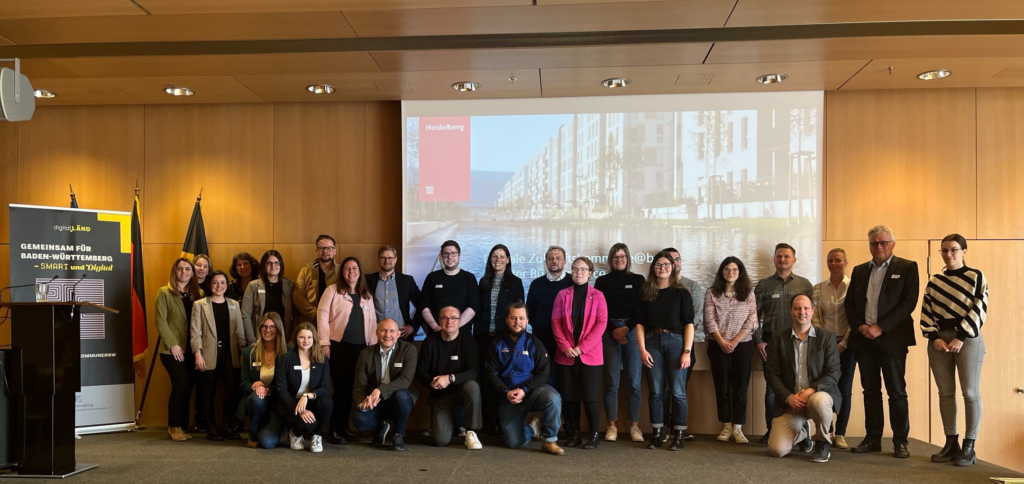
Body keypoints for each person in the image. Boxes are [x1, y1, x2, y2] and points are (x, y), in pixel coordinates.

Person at [845, 225, 919, 459]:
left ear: (893, 244)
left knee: (896, 391)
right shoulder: (858, 271)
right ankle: (873, 439)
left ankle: (900, 442)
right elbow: (850, 304)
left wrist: (881, 327)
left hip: (892, 340)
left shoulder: (907, 267)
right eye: (874, 243)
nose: (879, 247)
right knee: (870, 392)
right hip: (864, 339)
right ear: (869, 246)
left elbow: (908, 303)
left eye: (883, 242)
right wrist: (860, 326)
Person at [922, 234, 988, 467]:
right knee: (945, 393)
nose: (949, 254)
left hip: (967, 339)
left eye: (954, 249)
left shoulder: (975, 276)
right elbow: (926, 311)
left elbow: (980, 306)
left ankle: (969, 446)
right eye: (944, 250)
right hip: (939, 341)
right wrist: (934, 337)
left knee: (970, 392)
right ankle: (952, 443)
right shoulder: (935, 281)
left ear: (964, 251)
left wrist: (961, 336)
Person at [765, 295, 842, 463]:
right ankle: (802, 432)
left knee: (819, 401)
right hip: (791, 401)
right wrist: (788, 397)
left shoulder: (827, 337)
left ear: (812, 311)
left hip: (818, 395)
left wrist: (811, 390)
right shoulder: (778, 338)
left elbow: (834, 372)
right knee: (777, 451)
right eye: (797, 308)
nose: (802, 312)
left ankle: (822, 442)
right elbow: (771, 373)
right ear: (791, 311)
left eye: (806, 308)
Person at [485, 303, 564, 455]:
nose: (517, 322)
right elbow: (491, 374)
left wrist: (525, 389)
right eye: (513, 318)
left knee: (553, 397)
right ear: (507, 319)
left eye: (521, 318)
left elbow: (543, 373)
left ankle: (549, 441)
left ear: (527, 320)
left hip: (531, 392)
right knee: (513, 442)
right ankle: (532, 428)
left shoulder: (534, 343)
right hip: (508, 397)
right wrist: (506, 392)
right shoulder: (496, 344)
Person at [634, 251, 695, 451]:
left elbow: (689, 325)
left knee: (678, 392)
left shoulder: (682, 293)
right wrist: (642, 350)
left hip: (676, 343)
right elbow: (640, 324)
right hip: (652, 344)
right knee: (655, 391)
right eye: (658, 265)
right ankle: (658, 433)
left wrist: (687, 351)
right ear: (653, 268)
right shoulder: (646, 292)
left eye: (666, 264)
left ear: (673, 267)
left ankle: (679, 434)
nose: (662, 268)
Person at [753, 243, 813, 443]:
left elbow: (813, 315)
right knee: (772, 388)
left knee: (799, 387)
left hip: (799, 341)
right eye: (779, 256)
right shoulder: (764, 285)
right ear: (774, 259)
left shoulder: (805, 285)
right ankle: (772, 431)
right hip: (770, 342)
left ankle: (801, 433)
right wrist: (758, 341)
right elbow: (753, 317)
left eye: (787, 256)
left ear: (794, 260)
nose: (782, 260)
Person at [317, 256, 378, 444]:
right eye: (347, 268)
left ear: (360, 271)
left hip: (362, 349)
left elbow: (374, 321)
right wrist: (324, 343)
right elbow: (322, 317)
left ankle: (344, 428)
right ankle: (334, 429)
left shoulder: (366, 294)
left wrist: (375, 348)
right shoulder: (332, 290)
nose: (351, 271)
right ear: (342, 272)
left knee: (355, 388)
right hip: (339, 347)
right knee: (341, 389)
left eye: (354, 268)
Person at [552, 257, 607, 449]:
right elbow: (556, 322)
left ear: (590, 273)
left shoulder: (598, 296)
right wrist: (566, 346)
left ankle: (594, 435)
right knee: (569, 397)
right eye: (575, 269)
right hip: (565, 353)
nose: (579, 273)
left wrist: (581, 348)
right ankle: (573, 434)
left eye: (583, 269)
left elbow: (601, 324)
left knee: (590, 396)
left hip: (590, 354)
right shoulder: (562, 295)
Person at [594, 243, 645, 443]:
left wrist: (627, 329)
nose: (619, 260)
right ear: (610, 259)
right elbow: (599, 310)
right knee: (611, 382)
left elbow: (642, 309)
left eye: (623, 256)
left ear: (628, 258)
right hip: (609, 331)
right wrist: (613, 331)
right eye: (615, 257)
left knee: (634, 381)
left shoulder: (638, 280)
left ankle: (634, 426)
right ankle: (611, 426)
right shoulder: (602, 281)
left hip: (632, 332)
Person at [704, 257, 757, 444]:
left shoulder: (748, 293)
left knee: (741, 388)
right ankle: (726, 426)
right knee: (722, 387)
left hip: (742, 345)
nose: (731, 272)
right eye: (727, 269)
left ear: (740, 272)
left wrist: (734, 341)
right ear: (722, 272)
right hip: (718, 346)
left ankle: (738, 428)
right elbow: (709, 321)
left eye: (735, 269)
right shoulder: (711, 293)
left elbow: (752, 321)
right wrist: (722, 341)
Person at [415, 306, 483, 450]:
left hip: (462, 392)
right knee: (440, 440)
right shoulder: (430, 341)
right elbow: (420, 371)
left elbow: (474, 372)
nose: (449, 321)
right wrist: (431, 382)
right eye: (445, 318)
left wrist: (450, 378)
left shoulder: (468, 341)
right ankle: (450, 425)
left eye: (453, 318)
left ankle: (471, 431)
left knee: (472, 386)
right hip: (441, 395)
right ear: (439, 321)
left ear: (459, 321)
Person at [190, 271, 245, 441]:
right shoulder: (199, 305)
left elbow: (239, 332)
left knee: (231, 390)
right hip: (207, 353)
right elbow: (195, 332)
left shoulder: (234, 304)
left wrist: (244, 352)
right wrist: (197, 354)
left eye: (223, 282)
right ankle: (211, 426)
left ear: (227, 286)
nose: (219, 286)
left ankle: (227, 425)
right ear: (209, 284)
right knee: (208, 391)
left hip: (230, 353)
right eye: (215, 282)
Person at [476, 243, 525, 434]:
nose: (498, 260)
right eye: (494, 256)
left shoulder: (515, 282)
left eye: (502, 256)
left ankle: (505, 425)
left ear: (508, 259)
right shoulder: (483, 282)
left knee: (504, 380)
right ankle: (489, 425)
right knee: (487, 381)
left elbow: (519, 312)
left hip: (505, 340)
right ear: (490, 260)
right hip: (483, 339)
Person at [156, 258, 204, 442]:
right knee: (181, 385)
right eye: (179, 269)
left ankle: (182, 425)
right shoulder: (164, 293)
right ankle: (174, 426)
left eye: (187, 269)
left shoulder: (198, 293)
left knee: (188, 386)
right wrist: (173, 344)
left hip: (192, 349)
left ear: (193, 273)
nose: (183, 272)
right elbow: (161, 321)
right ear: (174, 272)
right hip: (171, 350)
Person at [353, 319, 419, 452]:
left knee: (401, 395)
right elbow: (359, 385)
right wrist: (362, 404)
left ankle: (398, 434)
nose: (387, 334)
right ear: (377, 333)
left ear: (398, 334)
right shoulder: (366, 354)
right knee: (359, 420)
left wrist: (380, 390)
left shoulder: (408, 350)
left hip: (400, 399)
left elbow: (405, 380)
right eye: (383, 330)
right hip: (376, 401)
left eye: (392, 331)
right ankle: (381, 427)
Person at [811, 248, 854, 449]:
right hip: (824, 344)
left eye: (838, 260)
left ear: (846, 262)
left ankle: (841, 433)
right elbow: (816, 317)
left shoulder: (854, 286)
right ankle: (825, 430)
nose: (834, 264)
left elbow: (856, 317)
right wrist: (828, 343)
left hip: (849, 344)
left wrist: (843, 343)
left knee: (845, 389)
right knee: (825, 386)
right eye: (830, 261)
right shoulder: (818, 288)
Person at [275, 323, 333, 453]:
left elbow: (325, 387)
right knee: (308, 424)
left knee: (327, 402)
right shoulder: (286, 359)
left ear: (314, 339)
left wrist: (307, 396)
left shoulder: (321, 359)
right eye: (302, 337)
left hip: (312, 403)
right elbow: (281, 390)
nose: (306, 341)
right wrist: (300, 410)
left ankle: (317, 436)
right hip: (291, 405)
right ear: (296, 338)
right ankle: (294, 434)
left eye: (309, 337)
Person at [239, 312, 289, 449]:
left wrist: (268, 389)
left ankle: (281, 428)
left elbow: (290, 385)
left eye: (272, 327)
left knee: (267, 442)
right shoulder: (249, 352)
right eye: (264, 327)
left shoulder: (288, 352)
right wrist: (254, 386)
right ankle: (253, 434)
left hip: (278, 404)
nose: (268, 330)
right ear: (260, 329)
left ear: (278, 329)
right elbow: (244, 383)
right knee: (257, 398)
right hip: (258, 402)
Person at [526, 246, 573, 377]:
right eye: (550, 258)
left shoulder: (573, 283)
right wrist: (539, 326)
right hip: (542, 338)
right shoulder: (536, 284)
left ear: (564, 261)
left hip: (567, 339)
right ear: (546, 261)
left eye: (558, 258)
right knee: (545, 374)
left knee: (565, 376)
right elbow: (530, 310)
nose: (554, 261)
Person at [419, 240, 480, 334]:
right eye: (446, 254)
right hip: (436, 333)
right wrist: (436, 327)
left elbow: (474, 306)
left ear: (459, 255)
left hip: (462, 333)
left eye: (453, 253)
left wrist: (455, 327)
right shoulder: (432, 277)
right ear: (441, 256)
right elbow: (424, 306)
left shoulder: (469, 278)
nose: (449, 257)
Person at [365, 245, 422, 341]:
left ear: (395, 259)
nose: (387, 261)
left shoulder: (406, 281)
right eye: (383, 258)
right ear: (378, 259)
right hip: (376, 335)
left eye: (390, 258)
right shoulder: (368, 280)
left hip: (401, 335)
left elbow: (422, 304)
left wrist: (413, 326)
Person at [242, 250, 296, 344]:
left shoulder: (290, 285)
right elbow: (245, 315)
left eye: (276, 263)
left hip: (284, 339)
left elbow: (296, 316)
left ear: (281, 265)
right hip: (259, 338)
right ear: (263, 265)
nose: (273, 266)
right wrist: (252, 340)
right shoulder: (253, 286)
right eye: (269, 263)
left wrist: (291, 339)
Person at [294, 235, 340, 326]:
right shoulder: (305, 271)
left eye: (329, 248)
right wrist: (315, 314)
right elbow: (298, 297)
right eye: (321, 248)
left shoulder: (342, 271)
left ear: (334, 251)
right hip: (310, 320)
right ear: (316, 251)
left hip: (335, 321)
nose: (325, 251)